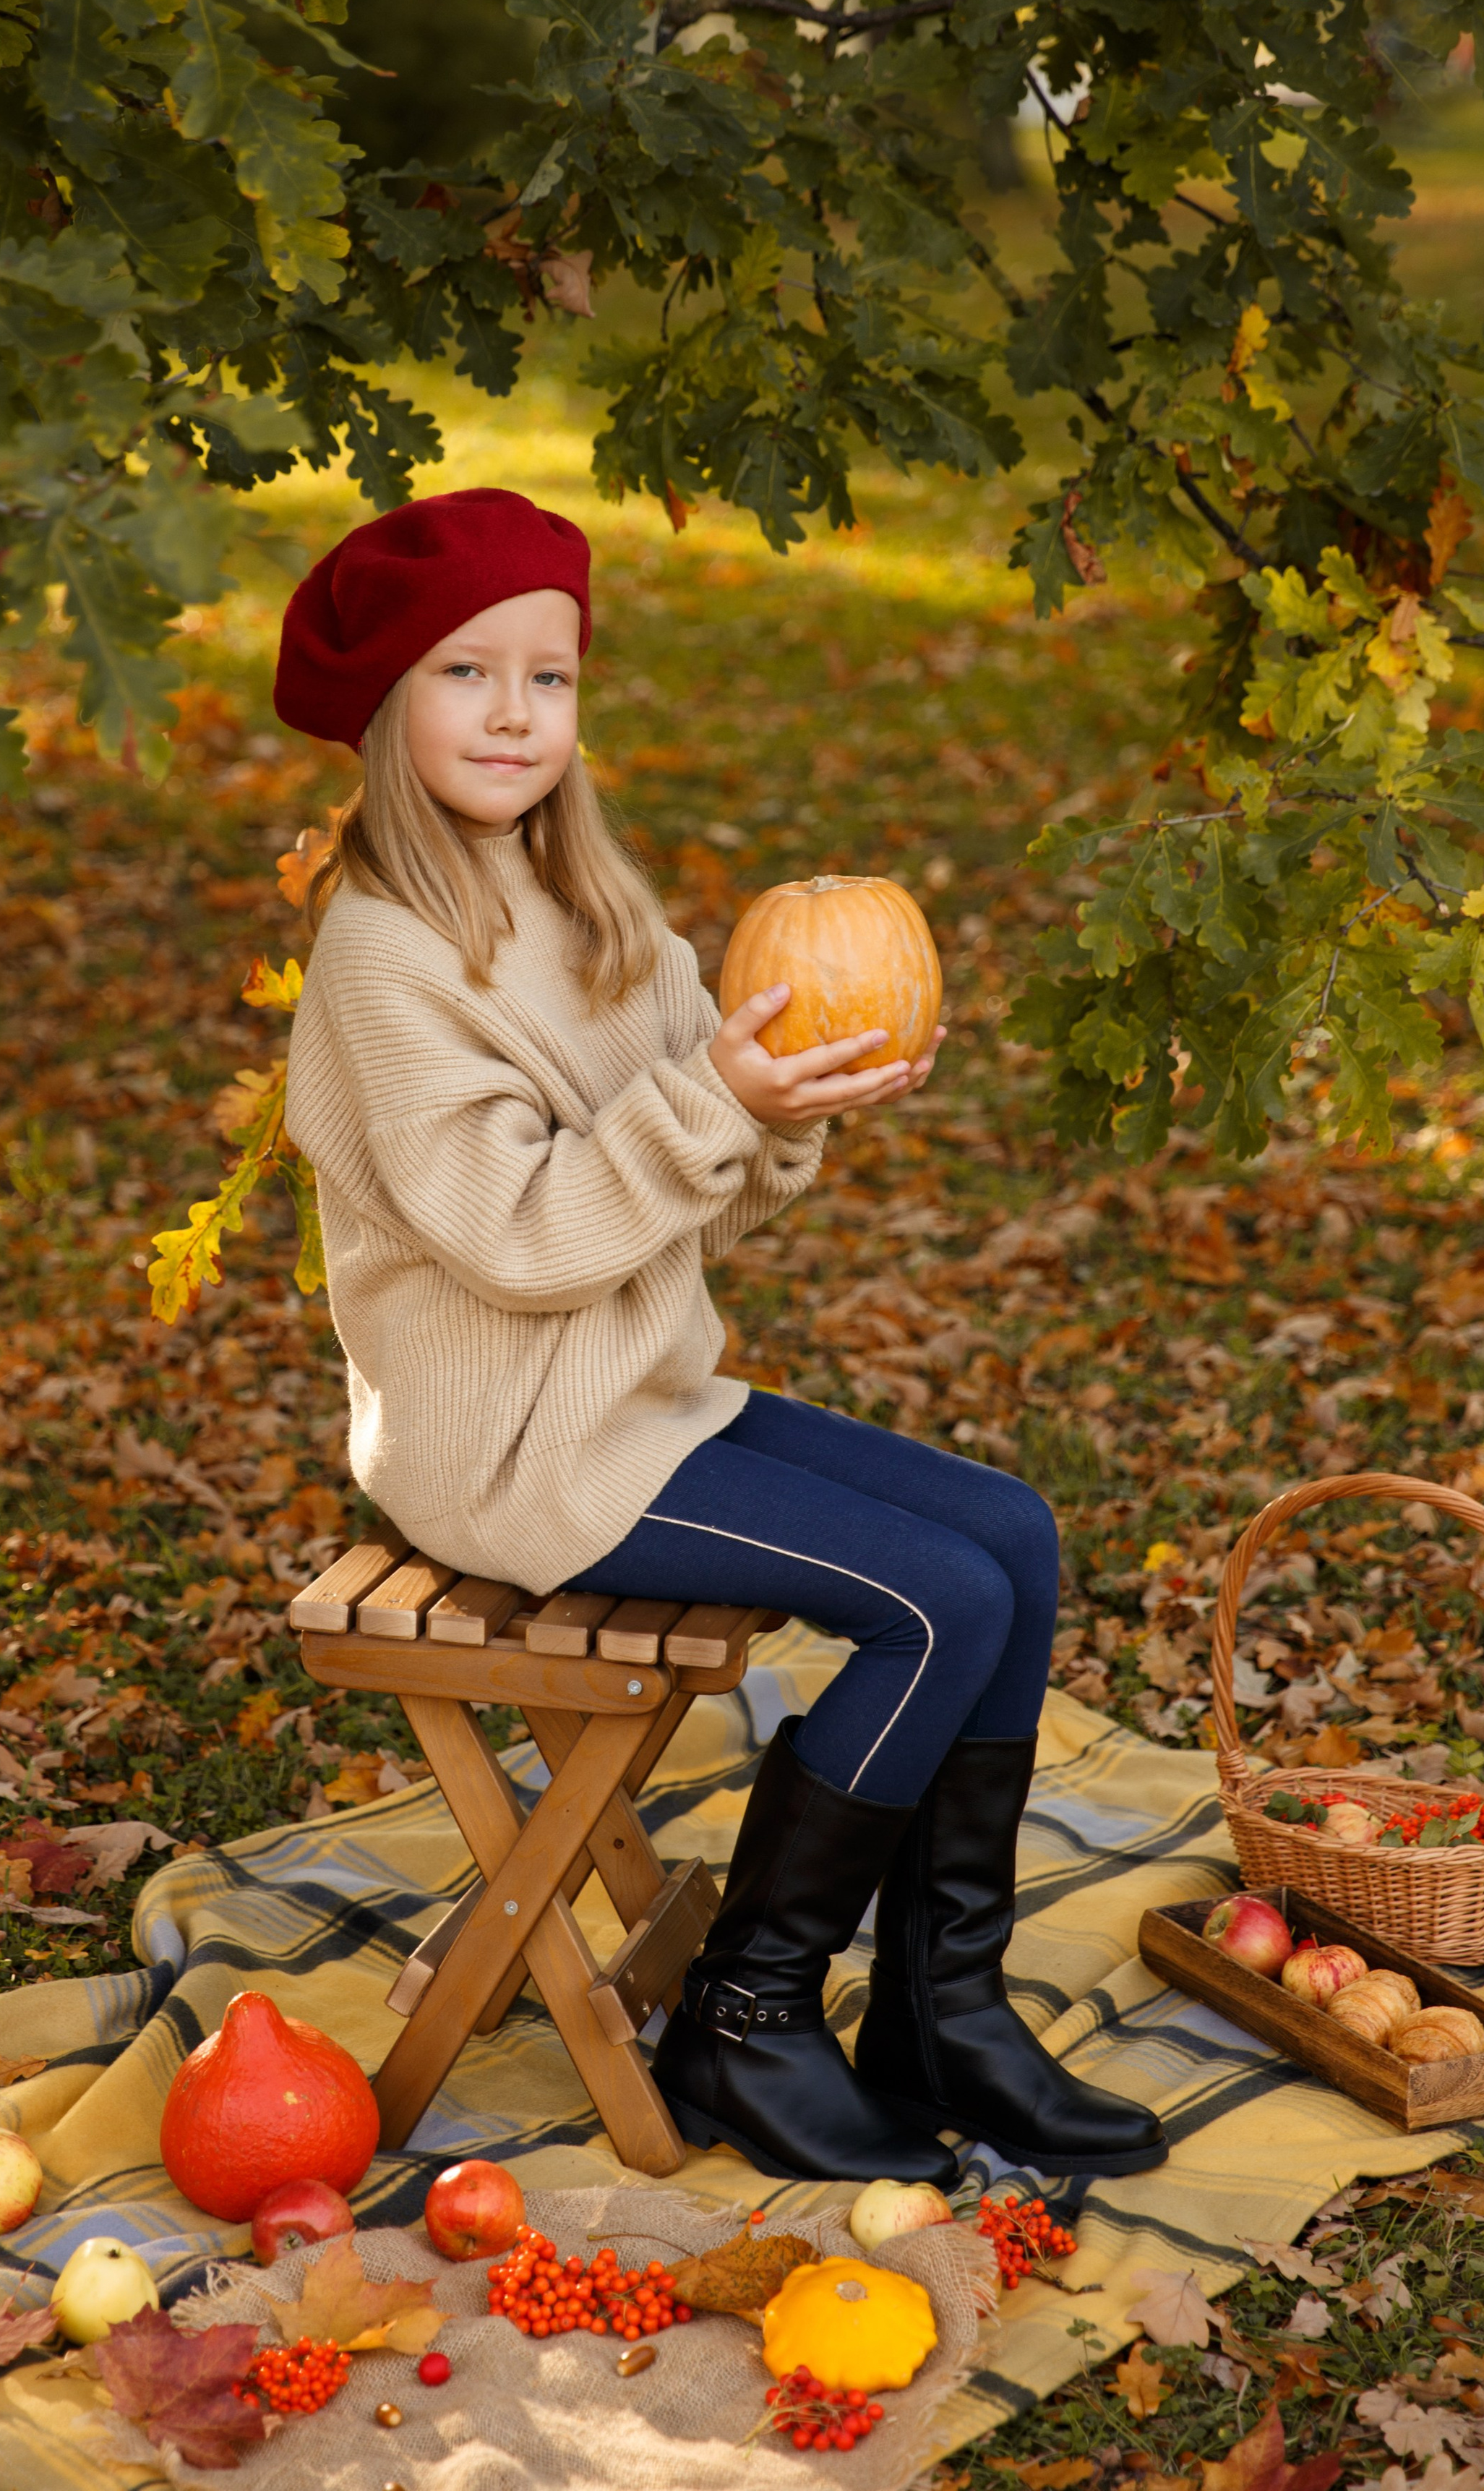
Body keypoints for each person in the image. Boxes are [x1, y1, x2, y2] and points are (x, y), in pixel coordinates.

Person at [279, 487, 1165, 2186]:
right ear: (389, 708)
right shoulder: (382, 965)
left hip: (636, 1401)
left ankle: (942, 2011)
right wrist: (710, 1104)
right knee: (936, 1599)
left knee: (1011, 1534)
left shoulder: (592, 913)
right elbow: (524, 1240)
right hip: (514, 1455)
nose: (514, 713)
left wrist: (787, 1105)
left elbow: (701, 1190)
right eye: (467, 673)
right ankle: (745, 2021)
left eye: (548, 676)